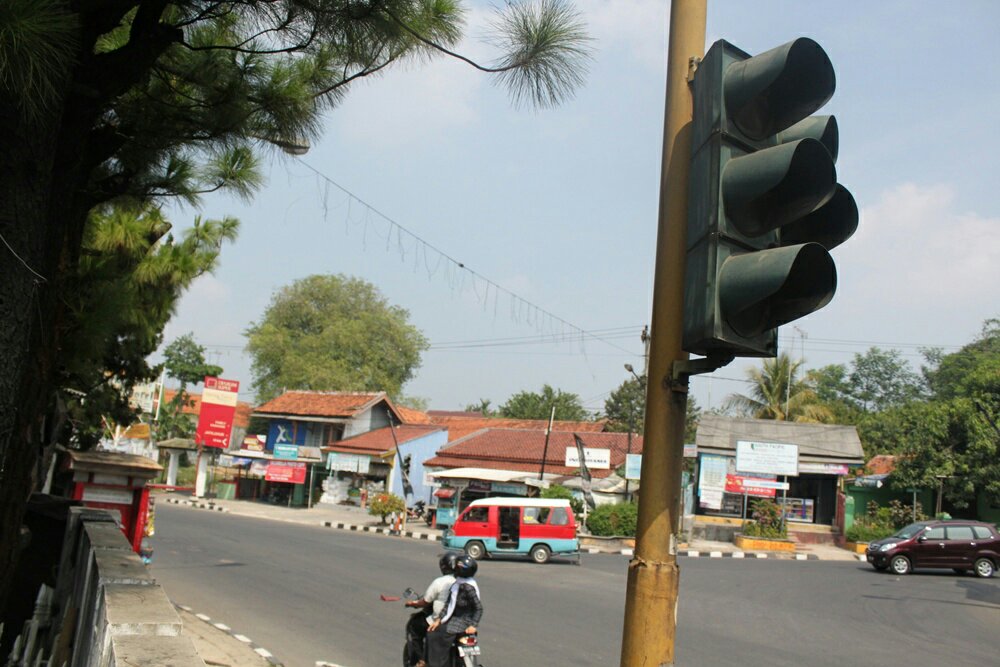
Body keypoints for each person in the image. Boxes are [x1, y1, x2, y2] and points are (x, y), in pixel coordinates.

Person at [425, 555, 482, 667]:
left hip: (461, 621)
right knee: (435, 627)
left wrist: (473, 625)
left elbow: (478, 608)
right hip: (455, 619)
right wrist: (439, 620)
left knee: (433, 634)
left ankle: (438, 664)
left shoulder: (467, 588)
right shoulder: (459, 584)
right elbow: (449, 604)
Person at [404, 553, 458, 667]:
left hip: (441, 621)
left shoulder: (439, 582)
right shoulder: (466, 582)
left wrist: (412, 603)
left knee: (414, 626)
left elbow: (425, 602)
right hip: (461, 622)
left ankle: (421, 661)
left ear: (443, 567)